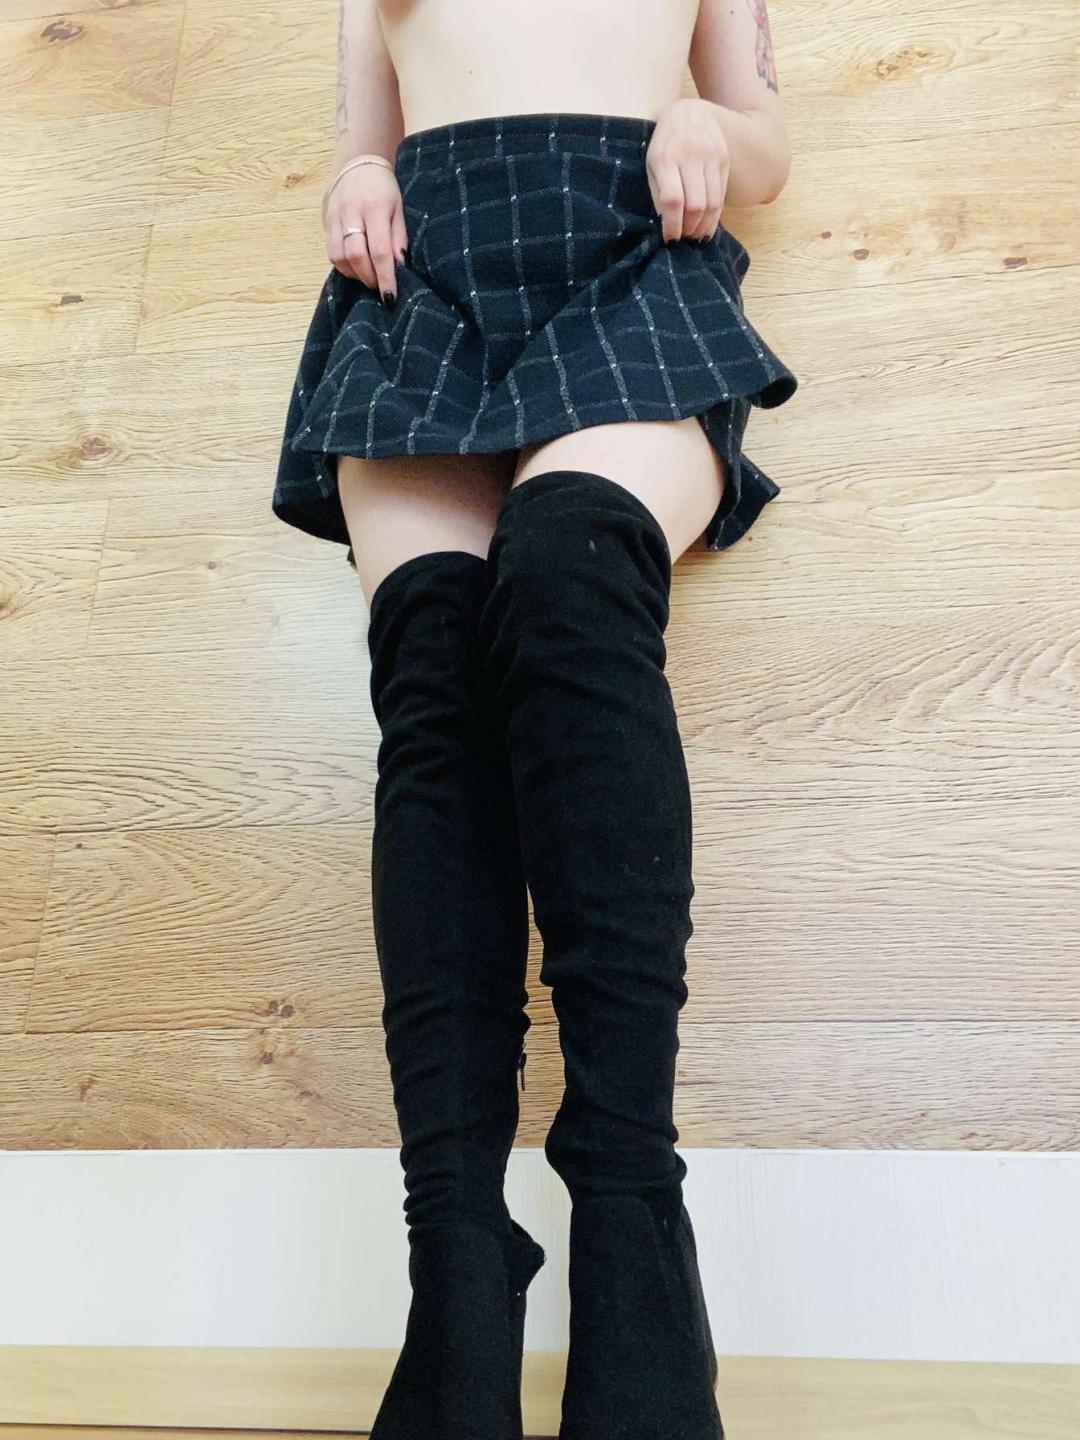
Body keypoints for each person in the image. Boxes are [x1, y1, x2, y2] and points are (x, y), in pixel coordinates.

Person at [272, 2, 798, 1436]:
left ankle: (630, 1216)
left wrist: (711, 128)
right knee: (433, 676)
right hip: (427, 272)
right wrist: (357, 179)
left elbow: (768, 141)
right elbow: (362, 139)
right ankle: (456, 1254)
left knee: (568, 572)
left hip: (626, 249)